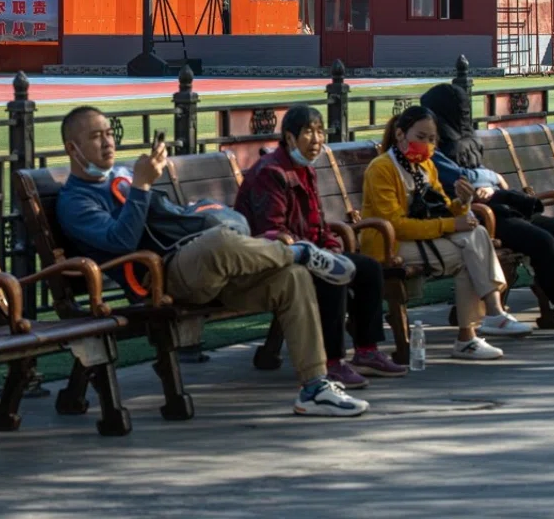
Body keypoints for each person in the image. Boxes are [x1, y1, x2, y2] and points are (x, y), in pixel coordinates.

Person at [56, 105, 370, 417]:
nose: (108, 143)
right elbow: (120, 242)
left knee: (295, 277)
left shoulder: (122, 178)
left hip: (202, 266)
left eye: (110, 134)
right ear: (73, 148)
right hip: (164, 277)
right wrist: (141, 186)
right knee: (224, 242)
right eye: (97, 137)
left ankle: (315, 388)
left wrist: (149, 189)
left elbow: (167, 219)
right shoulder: (76, 201)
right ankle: (298, 251)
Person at [236, 106, 407, 387]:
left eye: (320, 131)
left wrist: (330, 247)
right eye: (308, 132)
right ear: (290, 138)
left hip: (307, 251)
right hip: (272, 257)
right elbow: (272, 231)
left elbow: (320, 224)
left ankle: (366, 351)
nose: (316, 139)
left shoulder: (305, 170)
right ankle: (331, 361)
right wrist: (317, 253)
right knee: (331, 276)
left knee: (368, 268)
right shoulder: (272, 173)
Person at [360, 105, 533, 361]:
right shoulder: (382, 168)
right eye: (420, 137)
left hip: (426, 239)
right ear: (400, 135)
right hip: (390, 244)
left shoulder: (426, 166)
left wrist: (462, 203)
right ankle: (479, 326)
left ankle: (478, 328)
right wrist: (452, 225)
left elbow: (442, 207)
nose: (427, 145)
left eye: (432, 140)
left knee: (476, 237)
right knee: (469, 252)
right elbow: (396, 225)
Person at [421, 83, 554, 318]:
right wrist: (492, 178)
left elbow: (476, 174)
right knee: (541, 242)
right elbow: (460, 178)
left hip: (498, 205)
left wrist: (487, 182)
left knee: (553, 230)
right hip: (476, 214)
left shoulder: (465, 139)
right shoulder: (431, 147)